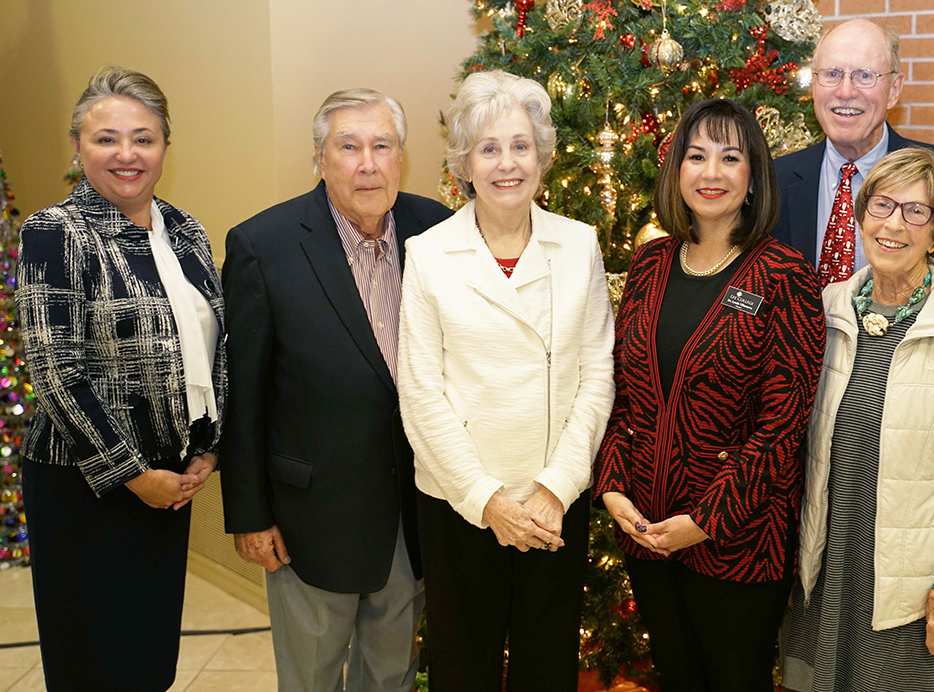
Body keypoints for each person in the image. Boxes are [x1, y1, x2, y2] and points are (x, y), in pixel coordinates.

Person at [220, 88, 451, 692]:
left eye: (382, 145)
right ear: (320, 159)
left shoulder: (441, 231)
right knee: (313, 678)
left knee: (391, 674)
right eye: (348, 147)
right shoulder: (263, 247)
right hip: (309, 520)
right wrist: (250, 514)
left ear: (401, 156)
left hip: (413, 513)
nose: (367, 163)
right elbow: (243, 393)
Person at [593, 98, 825, 692]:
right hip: (648, 529)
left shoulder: (784, 274)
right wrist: (614, 486)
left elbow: (784, 425)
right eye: (696, 156)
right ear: (677, 170)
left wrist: (706, 520)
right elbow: (624, 392)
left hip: (741, 542)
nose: (711, 173)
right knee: (676, 677)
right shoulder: (648, 264)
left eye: (730, 157)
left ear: (753, 178)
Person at [396, 69, 614, 692]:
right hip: (462, 504)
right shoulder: (430, 253)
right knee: (464, 669)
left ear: (543, 156)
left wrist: (556, 488)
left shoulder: (579, 245)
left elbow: (598, 374)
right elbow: (420, 391)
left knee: (547, 669)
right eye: (488, 149)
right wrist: (487, 500)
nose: (506, 164)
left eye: (520, 146)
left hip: (552, 502)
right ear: (465, 162)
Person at [15, 66, 224, 692]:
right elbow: (55, 369)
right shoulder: (55, 232)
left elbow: (210, 348)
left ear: (165, 145)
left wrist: (208, 444)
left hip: (169, 480)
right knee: (93, 665)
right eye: (106, 138)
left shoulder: (185, 229)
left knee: (148, 659)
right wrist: (133, 475)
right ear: (77, 145)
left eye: (144, 138)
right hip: (87, 484)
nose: (127, 154)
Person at [778, 147, 934, 692]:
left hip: (908, 585)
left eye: (916, 212)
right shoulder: (823, 309)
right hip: (821, 569)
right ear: (860, 214)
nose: (894, 224)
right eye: (881, 206)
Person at [772, 19, 934, 314]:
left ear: (894, 89)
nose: (845, 91)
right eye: (832, 74)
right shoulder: (773, 179)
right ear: (814, 84)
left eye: (864, 75)